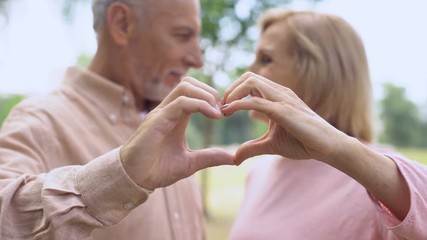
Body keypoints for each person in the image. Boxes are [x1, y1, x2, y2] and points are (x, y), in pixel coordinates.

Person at [0, 0, 234, 239]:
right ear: (122, 24)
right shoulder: (40, 120)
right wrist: (119, 177)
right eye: (183, 35)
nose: (197, 59)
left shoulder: (174, 123)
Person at [222, 10, 427, 239]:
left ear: (319, 74)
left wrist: (340, 151)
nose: (249, 72)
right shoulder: (260, 171)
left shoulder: (378, 180)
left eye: (266, 59)